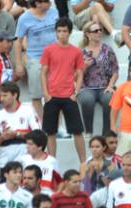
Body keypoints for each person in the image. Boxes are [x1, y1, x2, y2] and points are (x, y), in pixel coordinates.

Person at [40, 17, 86, 161]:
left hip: (69, 96)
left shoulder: (76, 52)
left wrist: (76, 92)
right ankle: (52, 163)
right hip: (52, 95)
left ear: (70, 32)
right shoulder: (48, 49)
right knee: (50, 132)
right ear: (56, 32)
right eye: (59, 31)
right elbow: (43, 72)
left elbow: (80, 73)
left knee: (77, 131)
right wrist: (46, 94)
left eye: (65, 31)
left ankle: (83, 163)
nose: (62, 34)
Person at [14, 0, 58, 119]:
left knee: (58, 93)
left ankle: (58, 127)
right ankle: (43, 124)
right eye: (47, 1)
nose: (50, 3)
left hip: (55, 58)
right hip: (35, 59)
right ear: (38, 3)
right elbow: (18, 41)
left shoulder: (54, 12)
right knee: (37, 95)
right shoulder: (24, 18)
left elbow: (61, 32)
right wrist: (18, 63)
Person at [0, 82, 40, 171]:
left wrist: (16, 134)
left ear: (15, 95)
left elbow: (38, 135)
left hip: (26, 163)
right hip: (5, 164)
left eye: (5, 95)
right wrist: (2, 137)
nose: (1, 99)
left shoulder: (28, 110)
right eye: (1, 96)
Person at [16, 130, 62, 195]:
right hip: (26, 196)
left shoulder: (51, 161)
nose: (27, 146)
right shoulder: (22, 160)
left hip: (46, 197)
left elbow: (60, 182)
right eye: (27, 143)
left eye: (30, 144)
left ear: (40, 146)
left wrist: (56, 195)